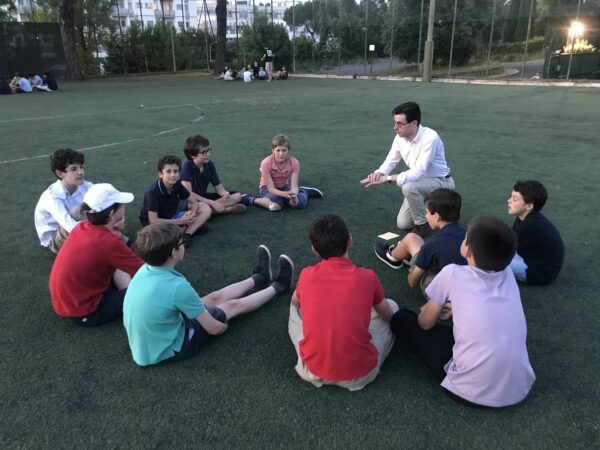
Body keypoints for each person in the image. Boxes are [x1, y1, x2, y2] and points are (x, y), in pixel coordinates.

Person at [390, 216, 536, 407]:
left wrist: (429, 309)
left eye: (466, 237)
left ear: (467, 249)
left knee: (402, 319)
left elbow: (425, 323)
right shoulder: (507, 273)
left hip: (468, 391)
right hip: (520, 386)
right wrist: (455, 307)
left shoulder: (452, 273)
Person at [123, 223, 294, 366]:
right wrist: (223, 326)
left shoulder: (145, 270)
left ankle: (260, 277)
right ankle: (279, 286)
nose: (184, 245)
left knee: (214, 297)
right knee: (231, 306)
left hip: (150, 344)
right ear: (174, 252)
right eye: (181, 242)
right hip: (171, 349)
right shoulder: (177, 287)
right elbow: (213, 328)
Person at [288, 214, 398, 391]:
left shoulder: (306, 274)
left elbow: (296, 302)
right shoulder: (368, 277)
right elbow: (387, 314)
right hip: (361, 374)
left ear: (314, 250)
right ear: (350, 241)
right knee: (391, 306)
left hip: (311, 370)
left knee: (294, 309)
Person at [49, 184, 143, 327]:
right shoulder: (110, 243)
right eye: (121, 205)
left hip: (66, 302)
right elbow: (145, 271)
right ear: (111, 214)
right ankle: (130, 298)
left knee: (117, 266)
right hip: (85, 311)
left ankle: (126, 293)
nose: (124, 207)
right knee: (146, 291)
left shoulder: (81, 227)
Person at [361, 102, 454, 238]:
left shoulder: (430, 138)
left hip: (441, 183)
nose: (395, 127)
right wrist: (378, 173)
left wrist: (387, 179)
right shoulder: (400, 138)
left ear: (414, 123)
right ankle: (431, 209)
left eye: (400, 124)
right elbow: (391, 160)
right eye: (395, 122)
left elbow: (418, 171)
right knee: (403, 224)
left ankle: (423, 225)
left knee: (409, 187)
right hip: (419, 183)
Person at [374, 189, 466, 297]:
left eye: (427, 212)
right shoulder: (470, 233)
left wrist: (412, 271)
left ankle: (392, 256)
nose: (426, 216)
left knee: (411, 238)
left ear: (436, 216)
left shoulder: (432, 245)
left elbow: (412, 282)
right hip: (471, 287)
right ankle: (402, 256)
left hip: (445, 293)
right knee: (415, 241)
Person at [140, 155, 211, 248]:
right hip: (156, 225)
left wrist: (191, 216)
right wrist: (182, 221)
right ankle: (185, 230)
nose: (173, 175)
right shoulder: (153, 192)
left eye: (175, 171)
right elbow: (153, 221)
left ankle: (187, 234)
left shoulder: (177, 184)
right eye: (168, 171)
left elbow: (194, 202)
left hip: (172, 217)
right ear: (160, 174)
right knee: (159, 238)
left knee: (205, 208)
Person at [241, 134, 323, 212]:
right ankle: (251, 199)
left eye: (284, 150)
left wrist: (294, 196)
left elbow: (294, 186)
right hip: (266, 188)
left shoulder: (294, 162)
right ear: (273, 150)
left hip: (284, 186)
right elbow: (270, 188)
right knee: (277, 205)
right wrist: (285, 194)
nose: (281, 154)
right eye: (278, 150)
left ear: (289, 150)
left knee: (299, 203)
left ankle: (303, 191)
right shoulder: (266, 163)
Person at [34, 148, 93, 253]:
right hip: (55, 238)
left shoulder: (87, 186)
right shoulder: (51, 196)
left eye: (81, 167)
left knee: (105, 205)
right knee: (79, 212)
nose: (80, 172)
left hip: (76, 226)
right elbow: (69, 225)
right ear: (60, 173)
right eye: (74, 169)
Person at [507, 180, 564, 285]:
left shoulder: (529, 226)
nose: (509, 201)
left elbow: (507, 248)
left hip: (539, 273)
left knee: (491, 260)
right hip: (534, 262)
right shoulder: (526, 217)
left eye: (514, 199)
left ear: (529, 206)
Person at [180, 134, 246, 215]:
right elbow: (188, 194)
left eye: (208, 150)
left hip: (203, 197)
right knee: (198, 205)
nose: (208, 154)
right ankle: (227, 209)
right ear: (192, 155)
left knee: (237, 196)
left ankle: (205, 211)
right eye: (204, 152)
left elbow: (218, 188)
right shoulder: (186, 165)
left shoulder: (210, 164)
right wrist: (212, 202)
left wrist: (224, 194)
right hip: (188, 200)